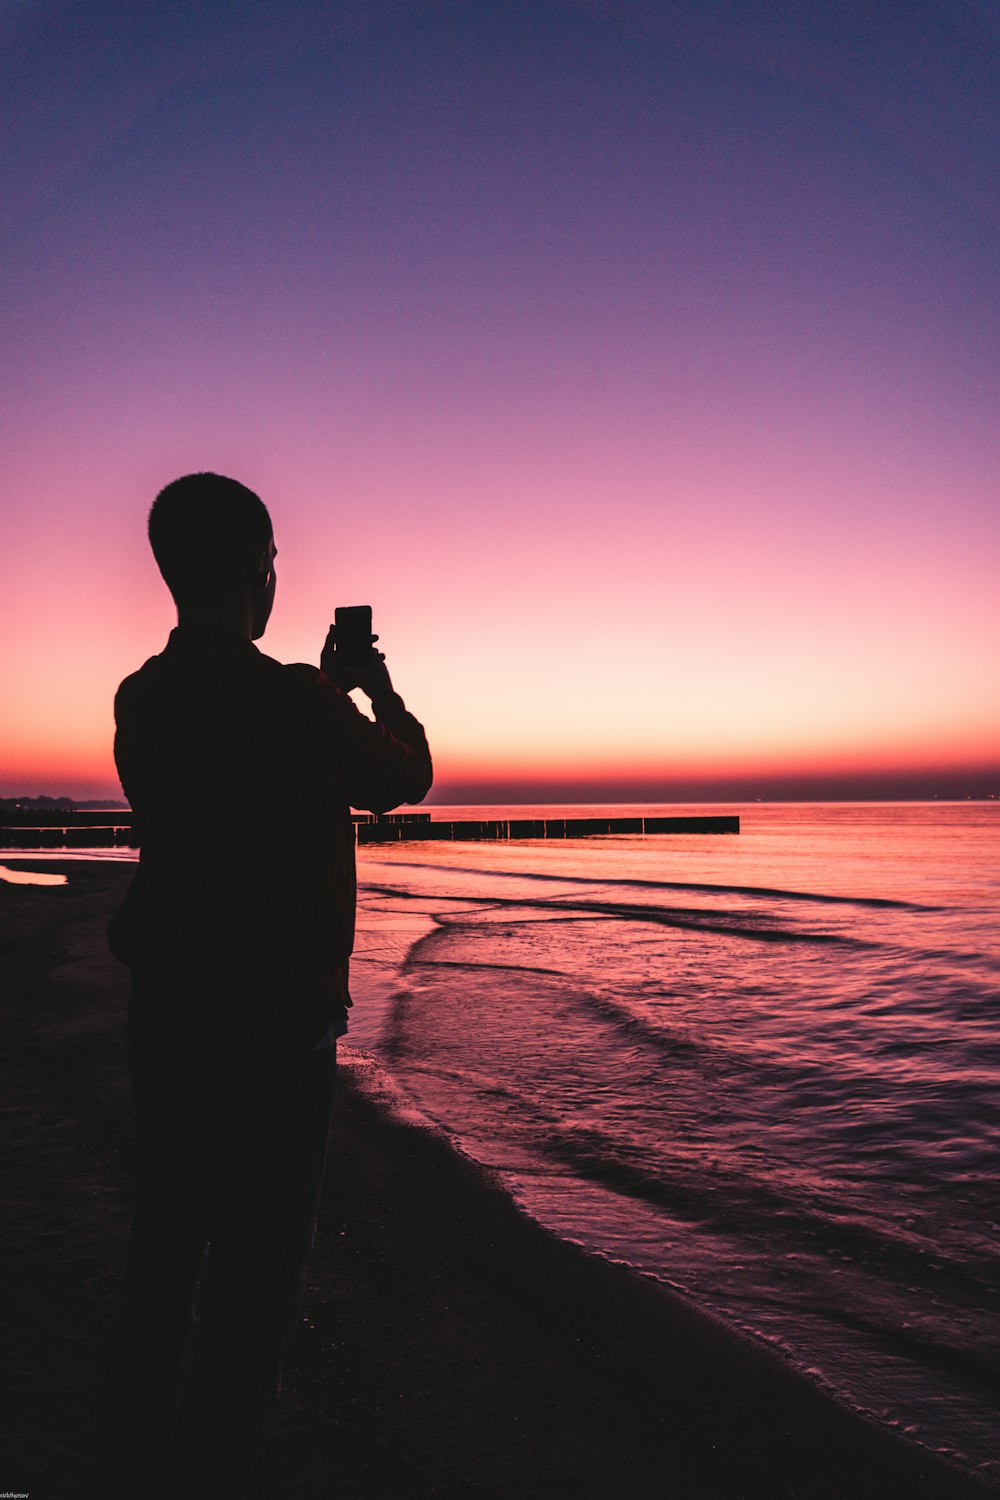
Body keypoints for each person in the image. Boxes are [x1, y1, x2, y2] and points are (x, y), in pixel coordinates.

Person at [101, 472, 432, 1499]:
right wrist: (371, 686)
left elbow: (232, 789)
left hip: (162, 1019)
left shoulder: (142, 700)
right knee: (252, 1283)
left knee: (162, 1260)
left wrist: (317, 692)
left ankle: (138, 1462)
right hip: (271, 1028)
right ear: (258, 568)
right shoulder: (291, 698)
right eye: (274, 560)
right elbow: (401, 777)